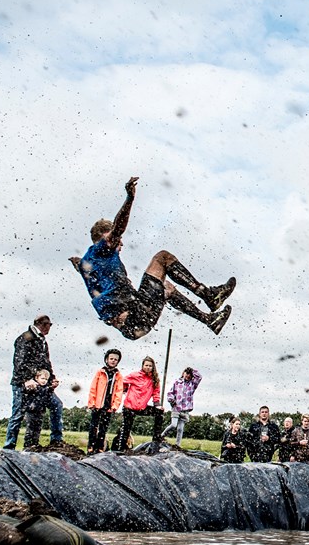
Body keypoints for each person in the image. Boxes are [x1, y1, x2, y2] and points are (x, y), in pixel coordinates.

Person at [70, 176, 235, 340]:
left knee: (165, 286)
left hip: (132, 326)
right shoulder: (100, 251)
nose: (120, 242)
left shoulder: (89, 262)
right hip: (135, 317)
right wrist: (130, 198)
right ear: (104, 237)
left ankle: (210, 320)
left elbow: (85, 270)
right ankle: (208, 296)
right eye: (115, 238)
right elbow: (118, 228)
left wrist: (77, 263)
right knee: (162, 258)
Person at [4, 315, 64, 450]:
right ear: (41, 324)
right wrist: (26, 379)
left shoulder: (43, 341)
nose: (50, 327)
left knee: (56, 405)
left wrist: (52, 378)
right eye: (49, 325)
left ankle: (56, 441)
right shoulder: (26, 337)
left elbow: (46, 362)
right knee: (18, 414)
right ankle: (9, 447)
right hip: (23, 383)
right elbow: (19, 361)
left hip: (41, 384)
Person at [112, 356, 165, 452]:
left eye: (150, 366)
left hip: (142, 407)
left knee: (159, 412)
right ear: (142, 366)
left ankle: (155, 442)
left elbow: (156, 393)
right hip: (129, 406)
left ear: (153, 367)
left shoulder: (154, 379)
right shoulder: (135, 375)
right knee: (126, 429)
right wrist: (125, 388)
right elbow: (122, 381)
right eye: (146, 365)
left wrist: (157, 405)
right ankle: (120, 449)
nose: (148, 367)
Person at [86, 349, 124, 454]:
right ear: (106, 359)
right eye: (111, 358)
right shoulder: (100, 373)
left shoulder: (118, 376)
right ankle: (91, 446)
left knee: (103, 428)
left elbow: (119, 391)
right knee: (93, 427)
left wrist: (115, 405)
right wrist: (92, 403)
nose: (113, 361)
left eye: (115, 359)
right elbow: (93, 388)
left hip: (108, 405)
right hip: (97, 404)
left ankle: (100, 447)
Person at [163, 367, 201, 447]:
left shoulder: (192, 384)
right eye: (186, 373)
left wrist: (192, 370)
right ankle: (162, 435)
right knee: (174, 425)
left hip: (185, 409)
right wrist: (171, 399)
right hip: (176, 407)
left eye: (189, 374)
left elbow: (199, 377)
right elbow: (170, 392)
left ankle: (178, 445)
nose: (187, 375)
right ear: (183, 373)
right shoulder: (177, 382)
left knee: (180, 429)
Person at [22, 369, 54, 449]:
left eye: (46, 379)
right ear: (37, 378)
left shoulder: (46, 389)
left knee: (38, 429)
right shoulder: (33, 387)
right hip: (31, 411)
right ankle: (27, 445)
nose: (44, 381)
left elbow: (47, 400)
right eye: (42, 378)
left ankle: (35, 444)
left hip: (40, 411)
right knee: (30, 429)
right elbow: (25, 393)